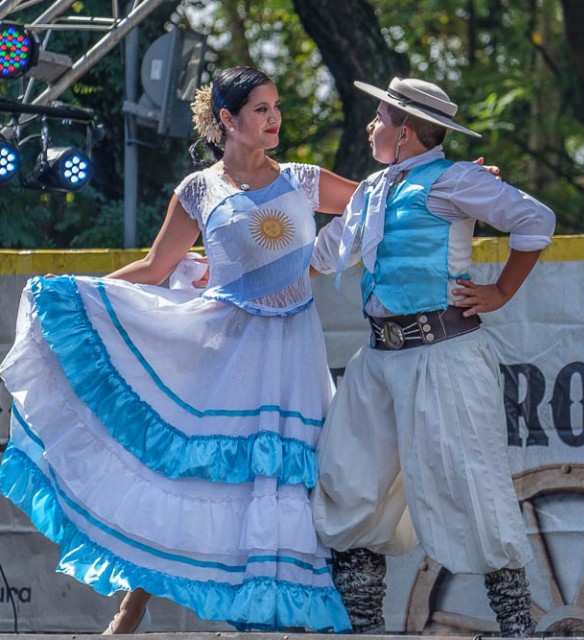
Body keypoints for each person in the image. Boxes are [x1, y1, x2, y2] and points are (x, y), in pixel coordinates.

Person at [0, 66, 358, 634]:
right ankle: (132, 607)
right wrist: (80, 299)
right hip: (226, 356)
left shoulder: (303, 180)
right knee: (193, 479)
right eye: (261, 109)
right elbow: (155, 268)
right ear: (227, 120)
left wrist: (452, 181)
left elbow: (381, 205)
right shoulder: (199, 189)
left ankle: (268, 615)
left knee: (280, 484)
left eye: (276, 107)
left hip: (292, 356)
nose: (274, 120)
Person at [309, 76, 556, 637]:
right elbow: (323, 255)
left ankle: (520, 629)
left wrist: (500, 292)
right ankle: (364, 630)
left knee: (474, 489)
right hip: (379, 359)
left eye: (379, 118)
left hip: (443, 353)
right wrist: (232, 275)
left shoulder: (455, 180)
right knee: (348, 485)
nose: (372, 126)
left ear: (406, 131)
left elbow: (534, 220)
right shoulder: (373, 189)